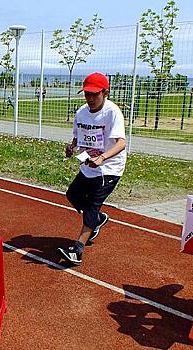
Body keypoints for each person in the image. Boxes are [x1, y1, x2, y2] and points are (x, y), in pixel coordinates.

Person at [56, 72, 127, 267]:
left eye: (94, 94)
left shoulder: (112, 112)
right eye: (87, 94)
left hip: (109, 168)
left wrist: (102, 157)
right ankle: (97, 220)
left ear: (105, 93)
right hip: (88, 164)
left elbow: (121, 143)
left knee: (93, 205)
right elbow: (79, 137)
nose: (90, 98)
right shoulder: (81, 112)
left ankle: (77, 250)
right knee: (73, 195)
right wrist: (71, 147)